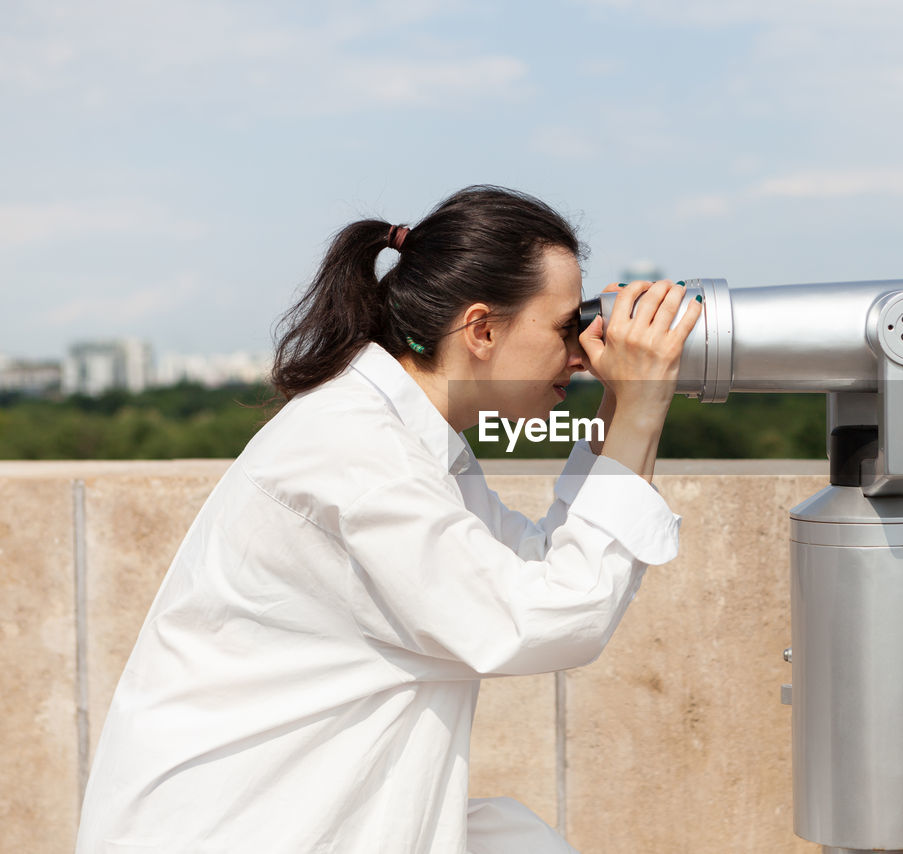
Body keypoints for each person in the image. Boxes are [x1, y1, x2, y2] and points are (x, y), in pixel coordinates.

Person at [75, 185, 702, 853]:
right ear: (484, 330)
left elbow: (546, 567)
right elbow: (543, 623)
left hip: (300, 814)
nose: (581, 352)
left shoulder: (408, 442)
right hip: (236, 828)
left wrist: (620, 399)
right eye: (563, 328)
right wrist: (640, 405)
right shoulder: (359, 452)